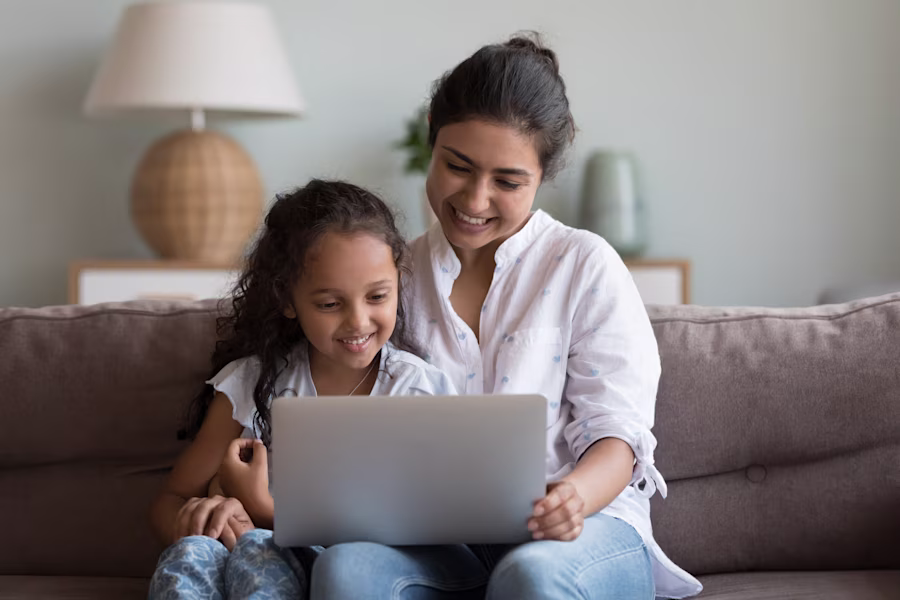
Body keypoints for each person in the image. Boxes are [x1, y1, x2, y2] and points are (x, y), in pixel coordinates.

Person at [308, 35, 704, 599]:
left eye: (508, 181)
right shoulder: (392, 278)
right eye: (457, 167)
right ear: (432, 141)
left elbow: (618, 434)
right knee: (344, 570)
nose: (474, 199)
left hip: (587, 528)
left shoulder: (585, 266)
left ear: (542, 176)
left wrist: (574, 498)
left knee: (531, 575)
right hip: (446, 540)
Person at [147, 179, 455, 599]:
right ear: (288, 300)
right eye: (330, 304)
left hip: (337, 571)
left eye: (378, 296)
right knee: (191, 555)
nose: (358, 322)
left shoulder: (418, 390)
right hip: (237, 550)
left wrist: (263, 510)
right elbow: (172, 499)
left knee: (257, 548)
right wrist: (201, 518)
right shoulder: (252, 383)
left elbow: (412, 533)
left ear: (398, 284)